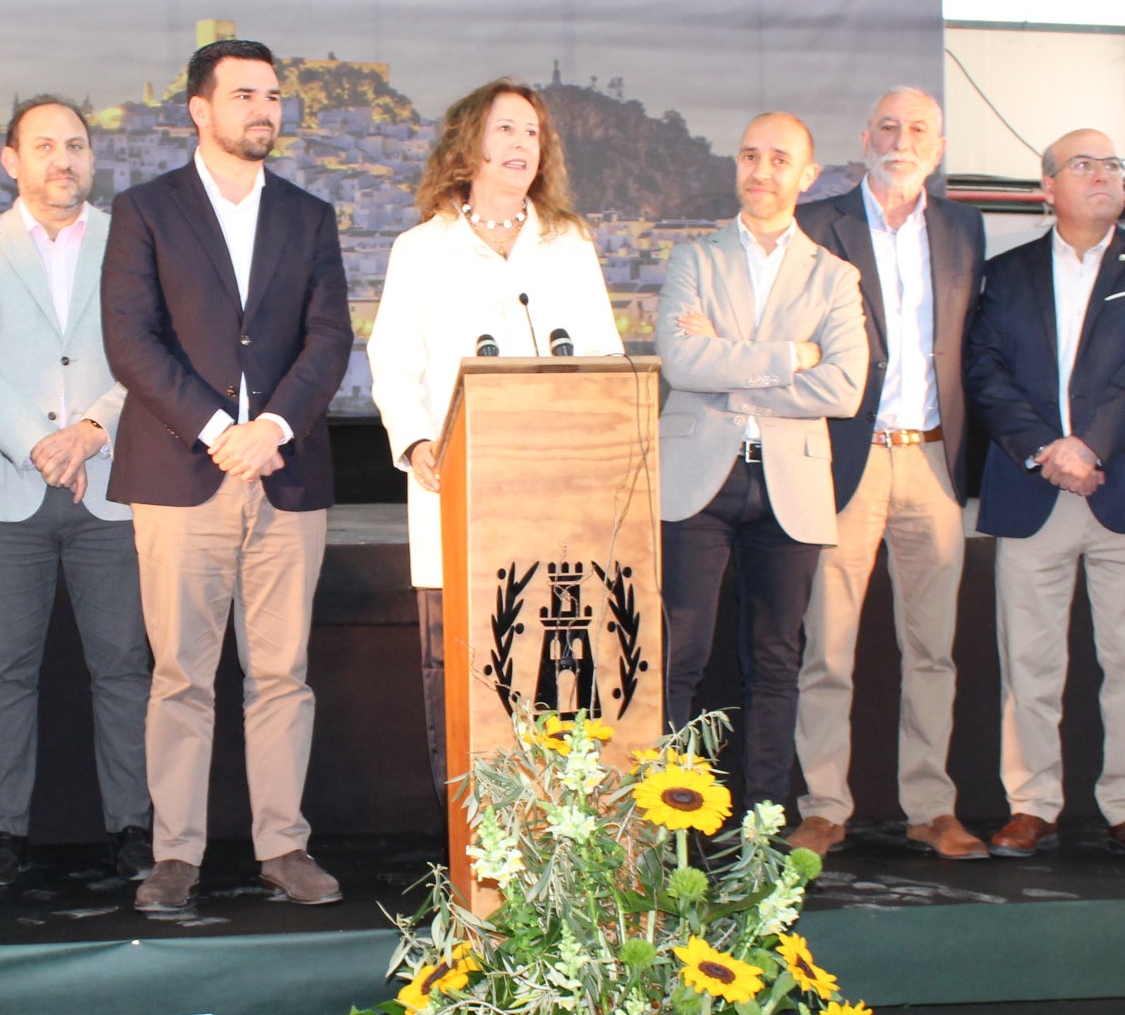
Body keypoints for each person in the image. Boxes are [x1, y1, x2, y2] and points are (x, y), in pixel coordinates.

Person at [100, 37, 354, 915]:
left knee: (282, 673)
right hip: (183, 472)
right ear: (199, 110)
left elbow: (330, 341)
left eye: (275, 96)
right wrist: (222, 432)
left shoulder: (309, 215)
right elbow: (131, 342)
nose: (265, 109)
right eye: (245, 94)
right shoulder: (145, 210)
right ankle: (177, 856)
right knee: (181, 675)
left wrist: (273, 426)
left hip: (287, 473)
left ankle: (282, 846)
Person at [367, 78, 623, 794]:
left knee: (553, 666)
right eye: (507, 129)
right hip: (461, 493)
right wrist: (418, 442)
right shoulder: (421, 248)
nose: (521, 144)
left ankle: (560, 825)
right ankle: (474, 834)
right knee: (468, 672)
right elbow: (393, 363)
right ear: (468, 143)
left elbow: (604, 359)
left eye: (533, 134)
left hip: (558, 503)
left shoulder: (569, 244)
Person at [0, 97, 152, 888]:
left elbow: (147, 355)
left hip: (113, 486)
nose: (64, 159)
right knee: (6, 669)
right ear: (10, 160)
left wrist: (91, 433)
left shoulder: (130, 243)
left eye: (76, 145)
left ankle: (134, 828)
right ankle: (5, 834)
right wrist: (39, 444)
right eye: (45, 145)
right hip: (6, 488)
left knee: (125, 666)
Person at [962, 130, 1125, 861]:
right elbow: (986, 371)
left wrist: (1088, 447)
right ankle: (1032, 804)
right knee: (1029, 661)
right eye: (1083, 164)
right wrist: (1045, 450)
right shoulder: (1004, 273)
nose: (1102, 175)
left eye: (1113, 165)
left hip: (1124, 487)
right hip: (1032, 489)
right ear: (1046, 188)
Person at [790, 87, 987, 858]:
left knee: (933, 647)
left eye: (919, 131)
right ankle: (824, 805)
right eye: (890, 127)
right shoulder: (817, 225)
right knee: (828, 645)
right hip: (847, 456)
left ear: (938, 149)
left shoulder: (964, 229)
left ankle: (931, 805)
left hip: (934, 458)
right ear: (864, 136)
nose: (902, 140)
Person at [654, 112, 866, 812]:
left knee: (776, 664)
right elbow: (681, 360)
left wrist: (729, 366)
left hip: (791, 486)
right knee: (678, 659)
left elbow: (843, 387)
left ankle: (763, 829)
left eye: (779, 159)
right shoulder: (694, 258)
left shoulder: (835, 276)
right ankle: (669, 827)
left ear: (807, 176)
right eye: (749, 155)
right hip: (697, 485)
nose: (761, 171)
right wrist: (789, 359)